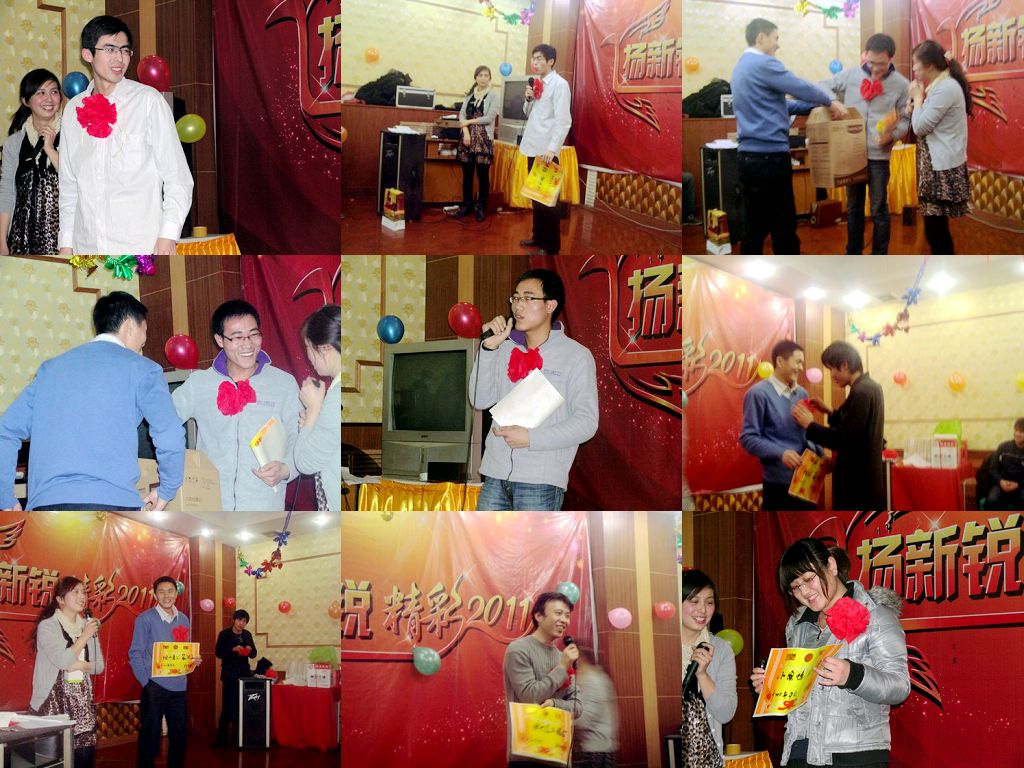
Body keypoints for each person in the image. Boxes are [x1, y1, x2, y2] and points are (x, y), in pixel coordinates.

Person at [0, 291, 184, 511]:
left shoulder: (50, 369)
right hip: (112, 507)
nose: (140, 349)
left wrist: (5, 497)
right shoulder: (143, 368)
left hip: (46, 508)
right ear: (129, 326)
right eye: (142, 341)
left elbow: (5, 432)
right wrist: (167, 489)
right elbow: (169, 433)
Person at [751, 538, 910, 767]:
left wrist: (853, 675)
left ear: (832, 566)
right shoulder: (798, 625)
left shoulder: (875, 615)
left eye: (809, 579)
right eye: (795, 587)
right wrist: (774, 686)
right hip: (800, 752)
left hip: (854, 754)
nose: (805, 592)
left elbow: (899, 686)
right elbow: (802, 695)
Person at [58, 15, 192, 255]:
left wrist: (168, 236)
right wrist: (66, 244)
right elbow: (69, 185)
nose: (119, 58)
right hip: (86, 246)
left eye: (125, 50)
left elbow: (177, 177)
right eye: (110, 49)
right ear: (87, 54)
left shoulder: (148, 101)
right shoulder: (72, 110)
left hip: (141, 244)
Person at [469, 269, 598, 511]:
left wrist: (531, 438)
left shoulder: (576, 356)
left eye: (528, 298)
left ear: (550, 305)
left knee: (532, 538)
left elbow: (587, 423)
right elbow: (479, 400)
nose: (518, 306)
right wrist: (488, 348)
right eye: (516, 298)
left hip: (541, 480)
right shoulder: (504, 348)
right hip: (494, 476)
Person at [731, 18, 848, 254]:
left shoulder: (741, 67)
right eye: (775, 38)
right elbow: (799, 86)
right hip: (770, 159)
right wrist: (830, 100)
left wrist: (814, 106)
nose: (778, 45)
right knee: (783, 225)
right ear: (761, 38)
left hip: (748, 159)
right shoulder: (763, 63)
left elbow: (781, 104)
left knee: (753, 226)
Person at [172, 299, 301, 511]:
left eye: (254, 334)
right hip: (211, 505)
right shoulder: (200, 383)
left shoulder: (283, 383)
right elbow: (165, 421)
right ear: (219, 340)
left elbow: (299, 436)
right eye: (237, 337)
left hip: (263, 505)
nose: (247, 344)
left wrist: (286, 469)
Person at [818, 34, 910, 254]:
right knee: (853, 208)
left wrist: (892, 136)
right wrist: (834, 102)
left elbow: (906, 119)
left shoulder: (901, 85)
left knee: (879, 210)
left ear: (890, 59)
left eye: (881, 64)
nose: (875, 69)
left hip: (879, 157)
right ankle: (853, 253)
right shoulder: (851, 75)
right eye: (871, 63)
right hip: (853, 155)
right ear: (865, 55)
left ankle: (879, 256)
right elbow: (822, 85)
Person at [791, 341, 884, 511]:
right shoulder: (872, 387)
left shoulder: (861, 391)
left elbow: (843, 439)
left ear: (845, 365)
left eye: (831, 369)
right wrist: (830, 411)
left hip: (857, 487)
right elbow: (858, 427)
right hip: (868, 483)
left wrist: (810, 425)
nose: (832, 375)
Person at [30, 576, 104, 768]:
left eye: (83, 592)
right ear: (60, 599)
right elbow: (63, 661)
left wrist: (77, 665)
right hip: (52, 704)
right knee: (52, 762)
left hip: (82, 705)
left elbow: (98, 666)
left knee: (84, 760)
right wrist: (84, 636)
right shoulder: (48, 626)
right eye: (76, 592)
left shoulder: (87, 625)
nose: (82, 596)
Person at [739, 340, 822, 510]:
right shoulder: (758, 394)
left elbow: (806, 432)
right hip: (779, 484)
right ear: (780, 361)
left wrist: (821, 454)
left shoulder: (802, 393)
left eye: (802, 363)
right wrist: (781, 453)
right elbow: (748, 438)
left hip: (807, 479)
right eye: (798, 362)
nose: (801, 368)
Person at [906, 40, 971, 254]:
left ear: (929, 66)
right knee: (935, 229)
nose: (914, 68)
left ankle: (944, 268)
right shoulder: (939, 86)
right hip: (935, 166)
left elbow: (920, 127)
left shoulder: (946, 88)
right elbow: (923, 119)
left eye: (915, 63)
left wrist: (917, 99)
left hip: (941, 168)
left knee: (936, 231)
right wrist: (916, 105)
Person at [503, 591, 581, 767]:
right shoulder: (518, 650)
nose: (564, 620)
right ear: (538, 616)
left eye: (567, 616)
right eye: (558, 613)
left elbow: (578, 707)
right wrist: (562, 668)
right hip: (527, 756)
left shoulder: (563, 656)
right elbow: (530, 696)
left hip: (559, 756)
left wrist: (554, 703)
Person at [128, 575, 200, 768]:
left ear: (176, 593)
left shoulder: (183, 618)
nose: (166, 595)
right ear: (155, 595)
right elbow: (135, 653)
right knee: (150, 737)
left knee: (179, 736)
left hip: (179, 687)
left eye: (170, 591)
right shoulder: (145, 619)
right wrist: (146, 683)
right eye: (161, 591)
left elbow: (183, 650)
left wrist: (192, 660)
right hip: (155, 687)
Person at [1, 69, 62, 255]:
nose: (49, 99)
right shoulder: (13, 143)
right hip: (21, 239)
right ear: (25, 101)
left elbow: (77, 180)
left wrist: (50, 150)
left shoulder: (73, 134)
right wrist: (2, 239)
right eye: (40, 93)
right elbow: (7, 192)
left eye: (54, 91)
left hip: (62, 239)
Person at [518, 44, 572, 255]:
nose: (535, 62)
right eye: (534, 58)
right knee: (536, 197)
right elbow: (528, 112)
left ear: (551, 61)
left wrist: (552, 148)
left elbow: (563, 121)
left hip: (546, 151)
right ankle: (538, 237)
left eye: (540, 58)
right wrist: (528, 98)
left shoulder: (560, 85)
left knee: (548, 201)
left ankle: (551, 246)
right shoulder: (537, 83)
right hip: (532, 146)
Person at [680, 570, 736, 758]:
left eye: (709, 602)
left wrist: (703, 675)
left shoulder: (721, 649)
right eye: (694, 601)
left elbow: (726, 713)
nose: (703, 610)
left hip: (705, 757)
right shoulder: (658, 647)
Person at [294, 304, 341, 511]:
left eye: (308, 346)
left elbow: (305, 463)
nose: (308, 356)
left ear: (324, 348)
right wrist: (313, 421)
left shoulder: (338, 394)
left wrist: (313, 409)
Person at [453, 65, 498, 221]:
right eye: (480, 75)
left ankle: (482, 207)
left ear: (489, 78)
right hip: (466, 139)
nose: (483, 78)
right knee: (467, 175)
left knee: (483, 175)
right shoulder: (469, 96)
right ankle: (467, 205)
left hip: (483, 140)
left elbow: (489, 118)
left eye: (486, 75)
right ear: (475, 78)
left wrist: (469, 121)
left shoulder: (493, 95)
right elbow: (461, 115)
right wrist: (465, 131)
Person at [212, 609, 257, 749]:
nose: (241, 623)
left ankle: (238, 740)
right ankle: (221, 741)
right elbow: (218, 653)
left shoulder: (247, 634)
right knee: (227, 708)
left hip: (244, 675)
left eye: (244, 621)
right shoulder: (224, 634)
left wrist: (250, 649)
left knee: (241, 708)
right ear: (234, 620)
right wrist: (233, 649)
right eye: (239, 620)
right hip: (229, 675)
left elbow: (254, 654)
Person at [572, 646, 619, 768]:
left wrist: (562, 721)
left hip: (594, 750)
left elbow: (584, 719)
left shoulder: (591, 680)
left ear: (580, 660)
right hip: (599, 748)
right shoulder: (598, 678)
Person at [986, 418, 1024, 510]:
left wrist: (1018, 484)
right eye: (1016, 430)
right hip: (1002, 483)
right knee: (992, 499)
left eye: (1021, 431)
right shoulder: (1003, 447)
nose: (1017, 434)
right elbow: (993, 468)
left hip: (1021, 485)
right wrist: (1001, 481)